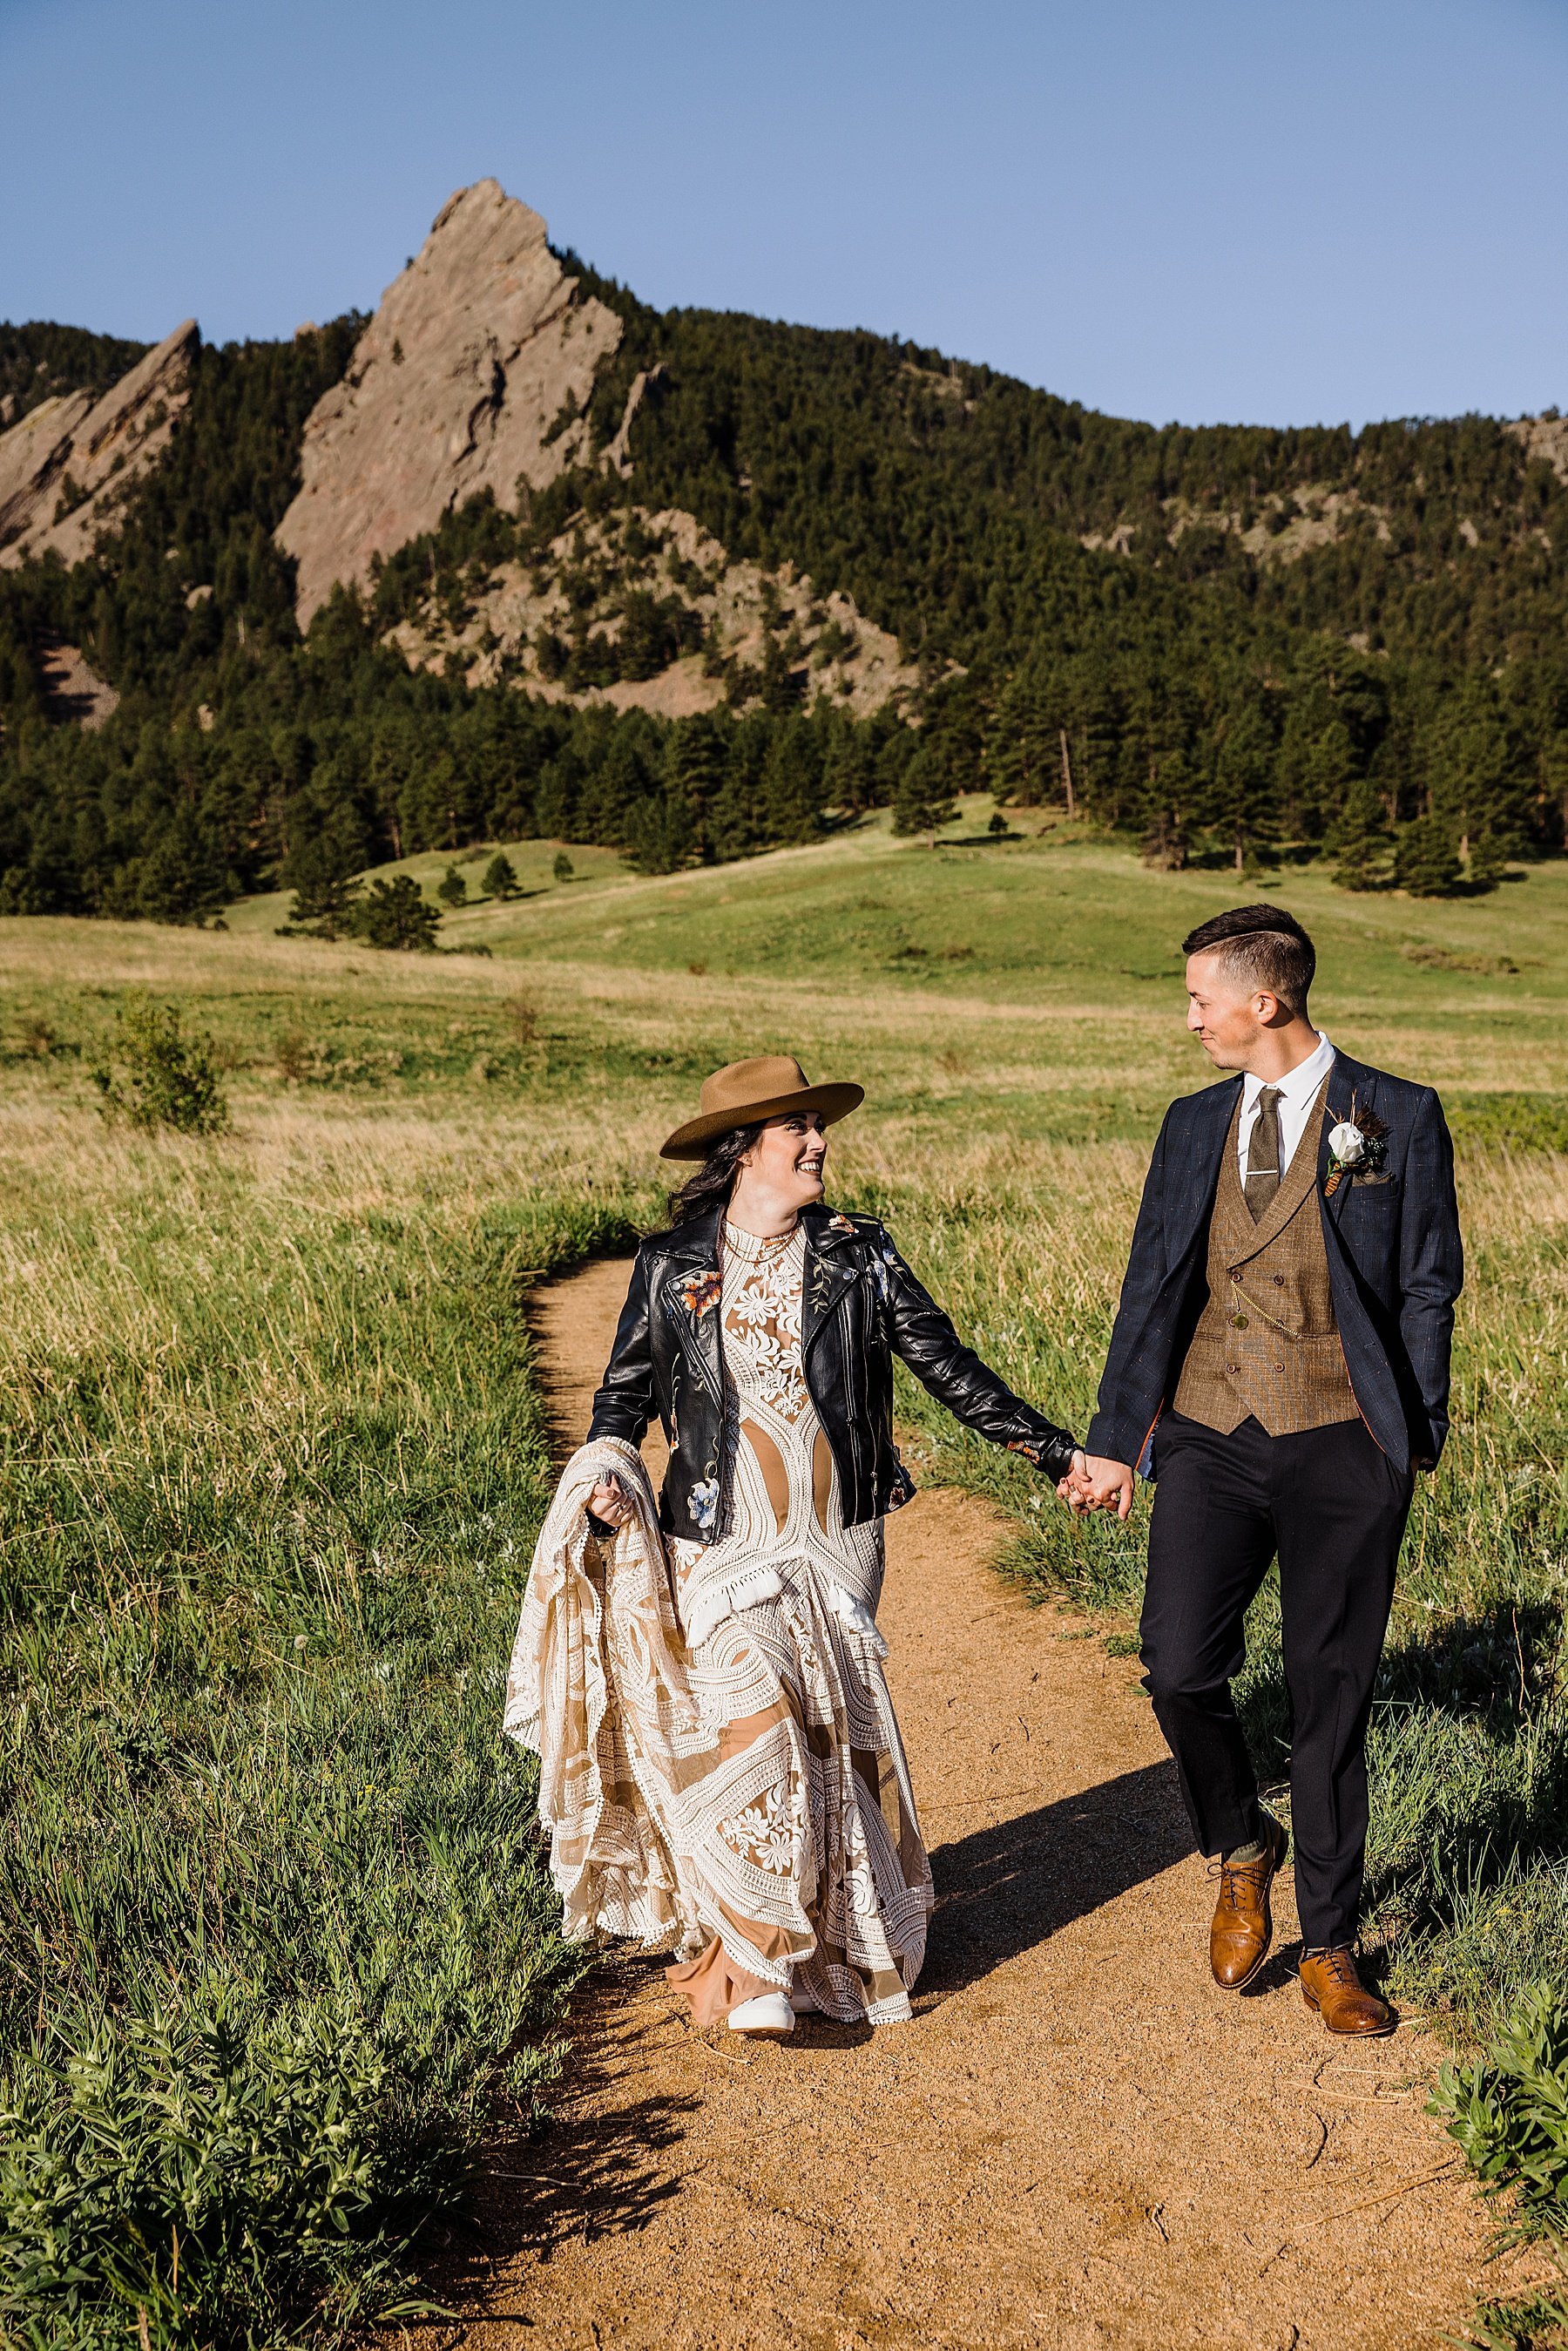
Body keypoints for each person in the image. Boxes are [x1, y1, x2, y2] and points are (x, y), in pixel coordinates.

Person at [507, 1054, 1119, 2036]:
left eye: (817, 1125)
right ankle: (759, 1965)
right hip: (719, 1539)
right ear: (745, 1148)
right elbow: (621, 1398)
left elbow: (948, 1367)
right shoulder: (672, 1264)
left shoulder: (859, 1252)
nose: (819, 1141)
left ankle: (804, 1951)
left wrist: (1056, 1455)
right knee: (758, 1723)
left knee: (828, 1738)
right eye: (797, 1128)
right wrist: (611, 1473)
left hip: (837, 1541)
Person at [1065, 904, 1462, 2037]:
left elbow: (1429, 1277)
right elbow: (1152, 1286)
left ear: (1265, 1001)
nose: (1189, 1017)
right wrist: (1113, 1435)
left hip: (1347, 1440)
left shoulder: (1395, 1114)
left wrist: (1410, 1432)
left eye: (1201, 998)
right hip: (1204, 1430)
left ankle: (1330, 1943)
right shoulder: (1192, 1124)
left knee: (1331, 1698)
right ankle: (1240, 1841)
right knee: (1178, 1662)